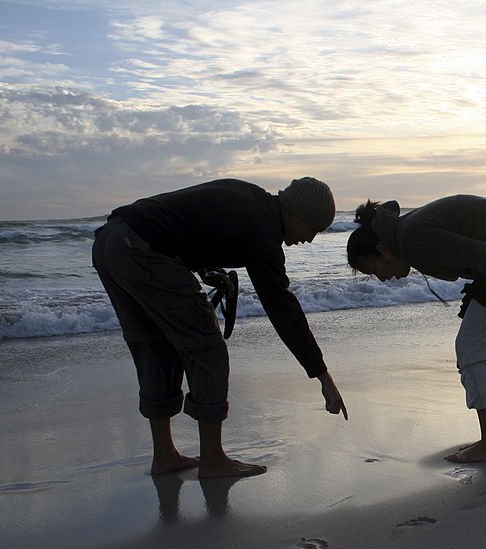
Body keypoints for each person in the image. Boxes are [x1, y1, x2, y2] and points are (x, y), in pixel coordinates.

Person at [93, 177, 348, 479]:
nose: (310, 239)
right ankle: (213, 460)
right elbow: (281, 307)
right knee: (207, 349)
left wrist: (204, 267)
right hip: (141, 248)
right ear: (298, 213)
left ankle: (165, 457)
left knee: (155, 346)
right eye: (314, 228)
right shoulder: (263, 228)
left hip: (110, 241)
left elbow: (188, 225)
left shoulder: (249, 199)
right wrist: (323, 375)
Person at [347, 194, 486, 463]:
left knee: (473, 349)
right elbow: (469, 259)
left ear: (384, 250)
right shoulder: (407, 233)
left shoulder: (412, 239)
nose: (382, 278)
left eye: (374, 269)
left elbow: (483, 254)